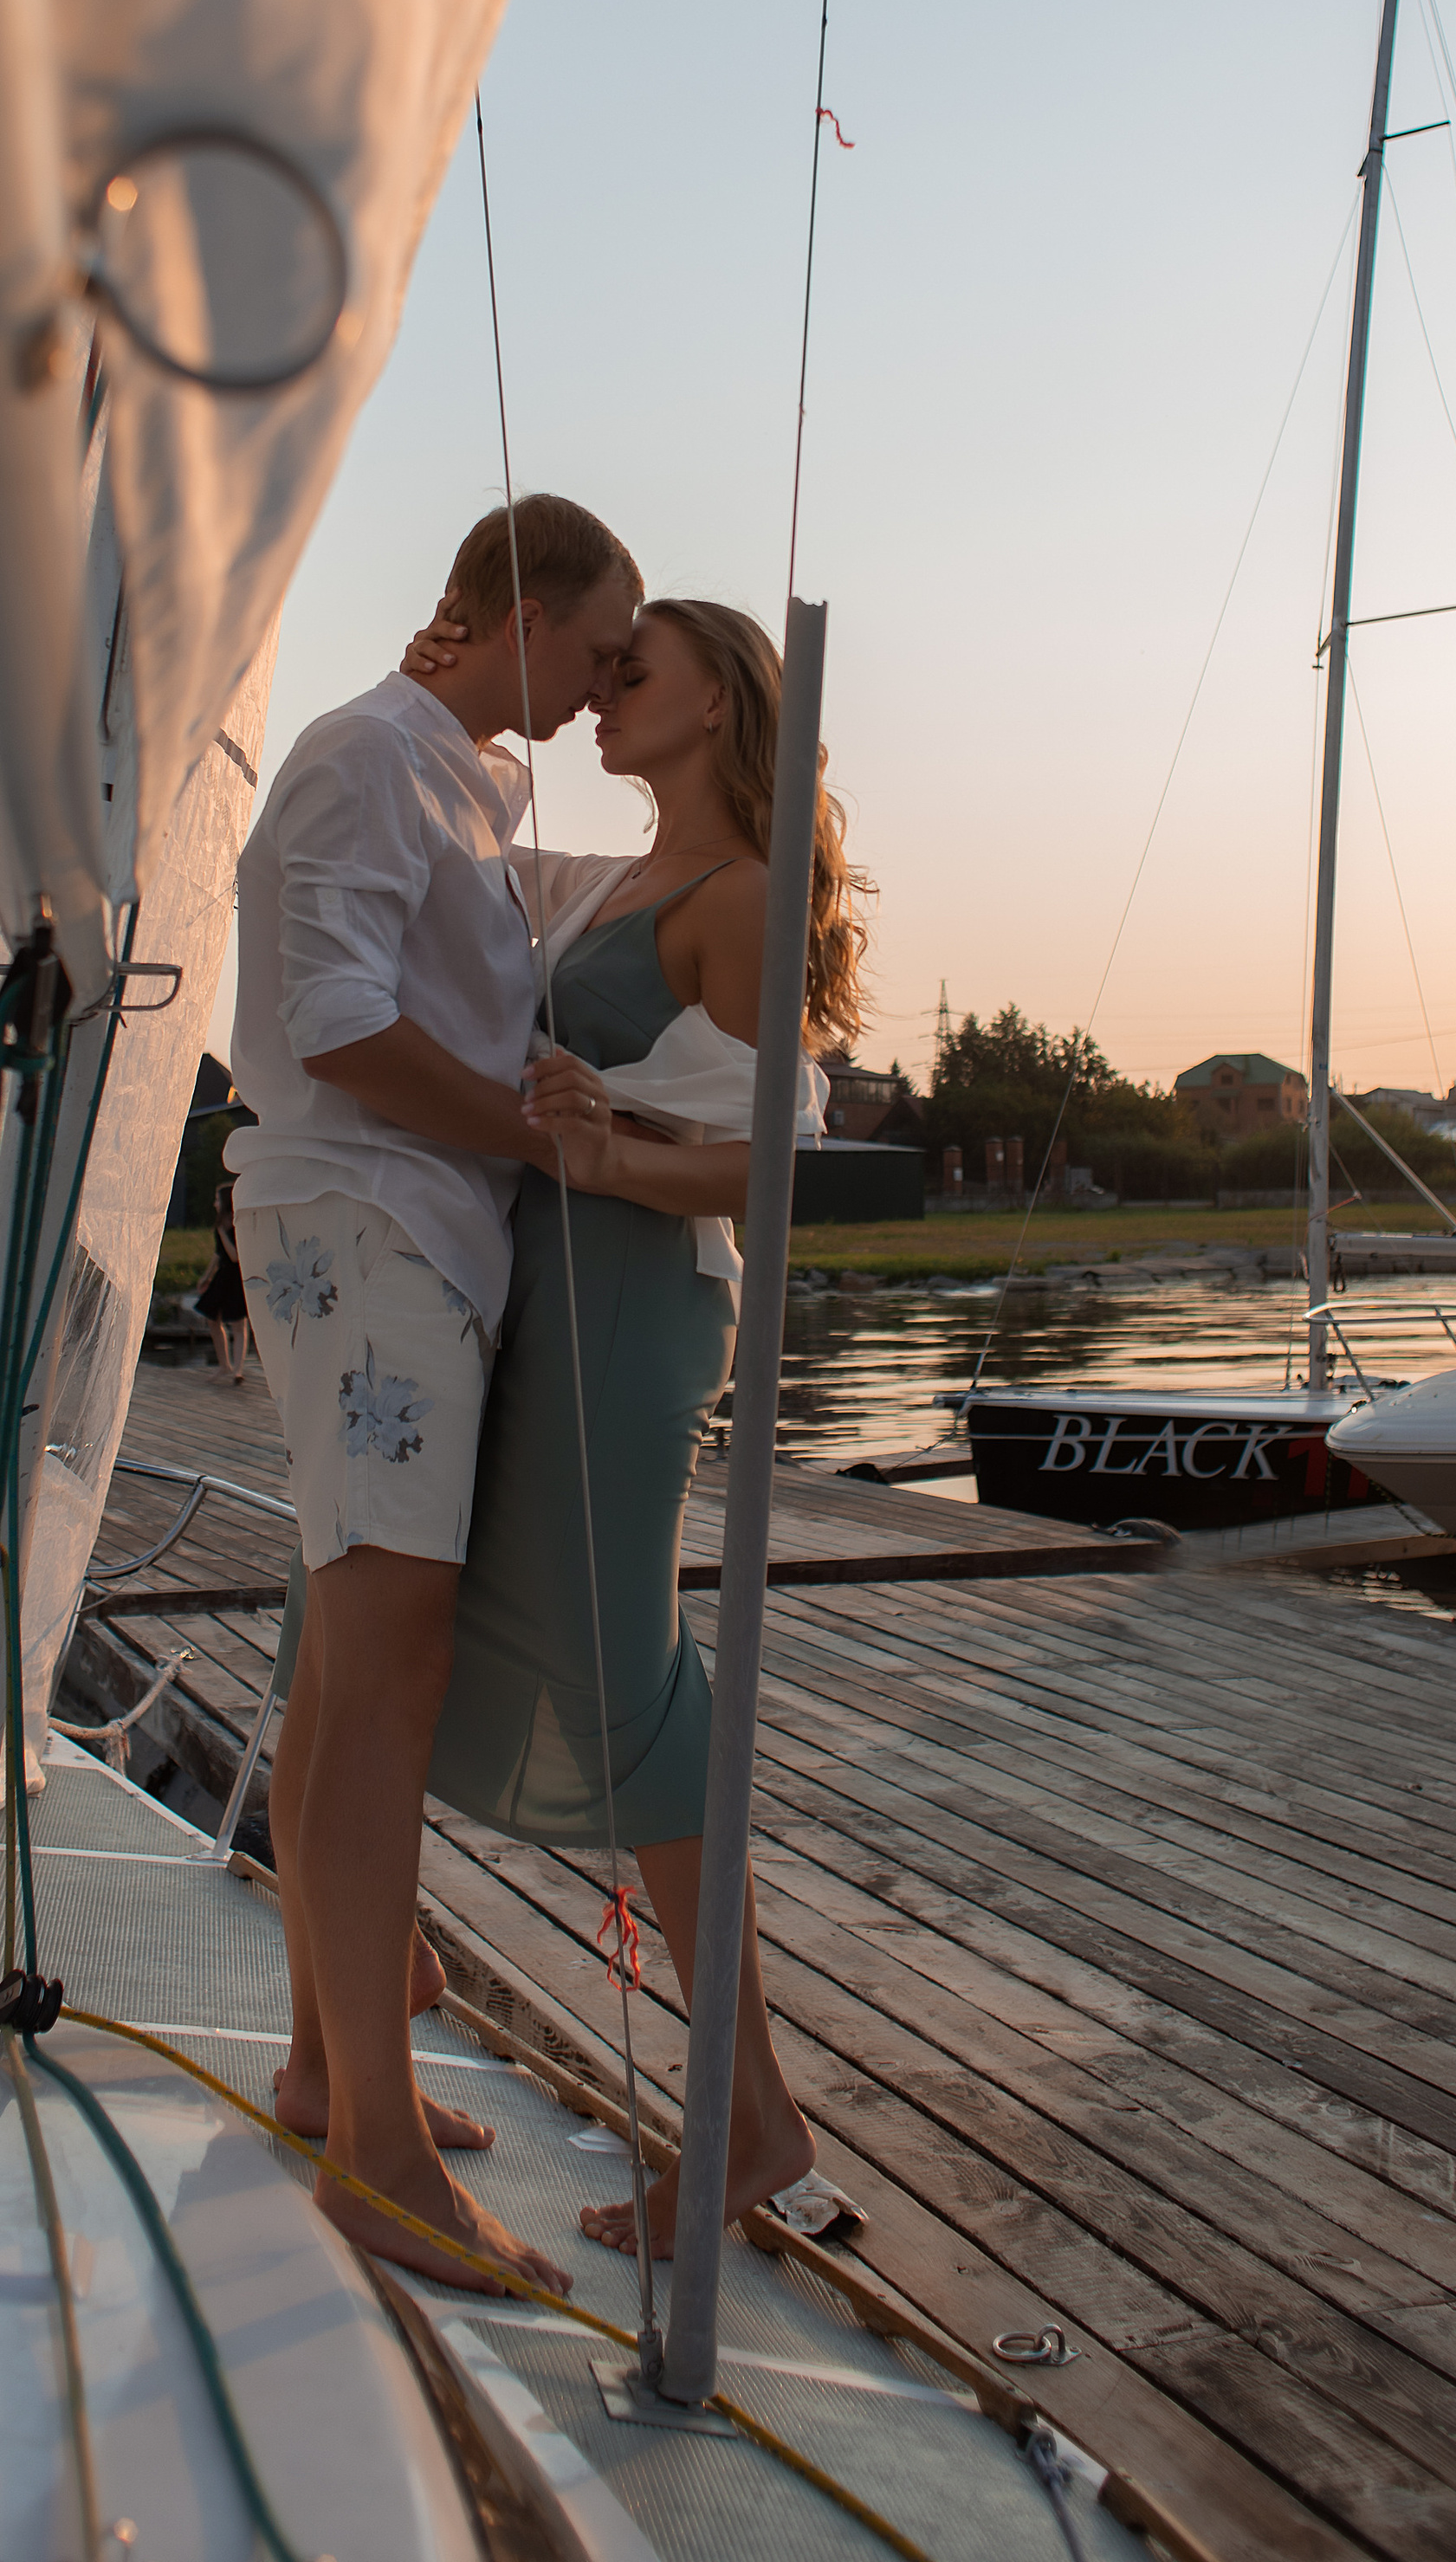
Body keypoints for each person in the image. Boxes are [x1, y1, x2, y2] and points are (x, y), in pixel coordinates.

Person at [411, 594, 870, 2255]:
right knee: (543, 1649)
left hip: (630, 1297)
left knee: (625, 1683)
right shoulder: (622, 879)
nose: (603, 699)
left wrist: (599, 1156)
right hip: (556, 1289)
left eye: (633, 674)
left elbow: (770, 1165)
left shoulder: (737, 894)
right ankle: (744, 2118)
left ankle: (752, 2126)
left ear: (718, 701)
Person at [228, 493, 640, 2294]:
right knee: (388, 1669)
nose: (607, 684)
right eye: (603, 646)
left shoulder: (467, 779)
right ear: (520, 608)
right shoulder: (365, 757)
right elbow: (329, 1023)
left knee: (343, 1661)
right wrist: (552, 1149)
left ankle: (328, 2069)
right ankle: (380, 2161)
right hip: (366, 1228)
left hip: (408, 1240)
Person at [195, 1180, 248, 1381]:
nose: (215, 1204)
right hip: (223, 1275)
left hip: (237, 1276)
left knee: (238, 1323)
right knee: (212, 1318)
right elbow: (218, 1255)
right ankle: (224, 1364)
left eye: (217, 1200)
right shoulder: (219, 1224)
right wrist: (206, 1277)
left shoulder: (238, 1224)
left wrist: (223, 1234)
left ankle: (238, 1371)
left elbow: (235, 1256)